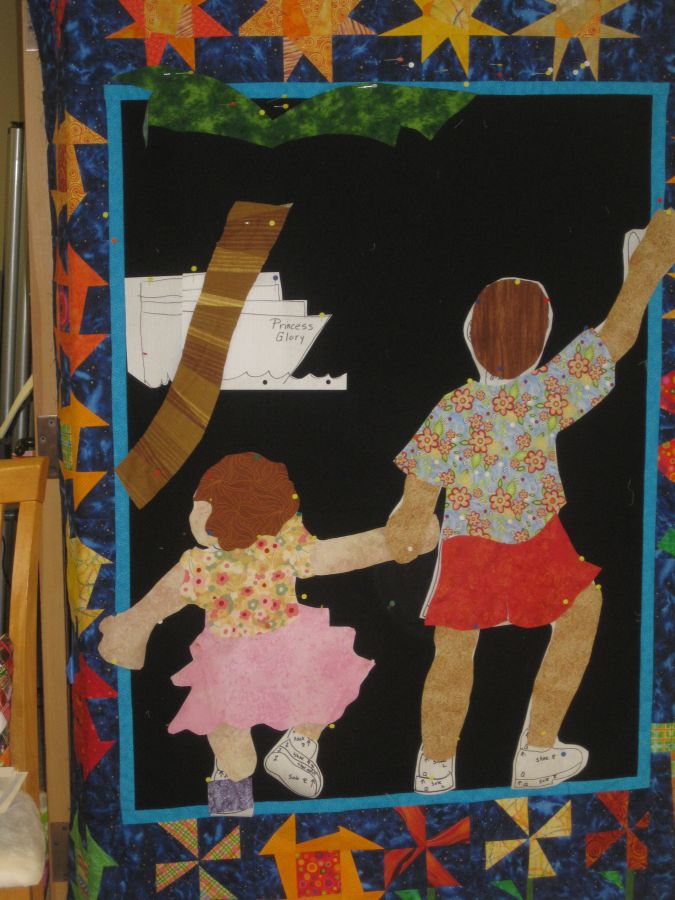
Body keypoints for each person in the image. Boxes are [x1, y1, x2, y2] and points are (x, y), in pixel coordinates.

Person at [385, 209, 675, 793]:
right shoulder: (546, 391)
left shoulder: (454, 408)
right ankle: (536, 749)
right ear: (543, 340)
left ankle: (435, 767)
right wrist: (647, 265)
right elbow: (617, 335)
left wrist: (407, 528)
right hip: (537, 538)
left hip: (469, 547)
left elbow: (416, 498)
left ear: (470, 332)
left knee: (454, 651)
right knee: (582, 613)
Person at [100, 451, 437, 814]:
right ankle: (294, 747)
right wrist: (394, 542)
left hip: (233, 664)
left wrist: (130, 628)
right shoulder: (280, 548)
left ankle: (235, 793)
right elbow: (340, 554)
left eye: (198, 505)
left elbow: (154, 606)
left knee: (231, 732)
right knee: (326, 681)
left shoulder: (202, 565)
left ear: (212, 513)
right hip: (284, 650)